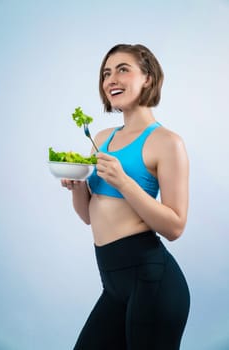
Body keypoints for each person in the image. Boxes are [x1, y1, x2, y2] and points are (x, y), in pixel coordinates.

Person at [61, 43, 190, 350]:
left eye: (122, 69)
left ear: (147, 77)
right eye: (106, 73)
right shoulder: (102, 138)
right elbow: (88, 216)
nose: (111, 79)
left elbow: (174, 227)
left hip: (152, 281)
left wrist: (123, 181)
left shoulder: (167, 142)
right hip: (113, 285)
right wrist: (78, 188)